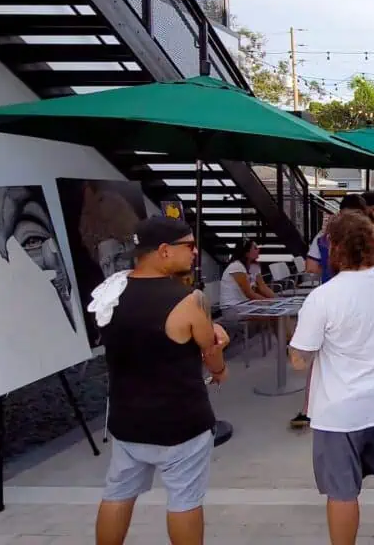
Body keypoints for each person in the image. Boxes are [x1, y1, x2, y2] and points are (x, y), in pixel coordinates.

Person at [93, 216, 229, 545]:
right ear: (165, 251)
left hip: (127, 419)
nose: (195, 253)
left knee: (117, 494)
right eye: (190, 246)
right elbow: (210, 353)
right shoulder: (189, 300)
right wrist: (218, 357)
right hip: (181, 421)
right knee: (184, 500)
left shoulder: (111, 292)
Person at [287, 211, 374, 545]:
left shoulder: (324, 297)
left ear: (335, 246)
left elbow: (300, 360)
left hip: (338, 412)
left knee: (342, 492)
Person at [291, 194, 370, 429]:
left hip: (330, 299)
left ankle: (309, 409)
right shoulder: (370, 235)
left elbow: (311, 267)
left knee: (321, 356)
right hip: (364, 301)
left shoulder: (323, 236)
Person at [219, 239, 276, 308]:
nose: (258, 250)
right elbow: (249, 293)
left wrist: (277, 299)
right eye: (255, 248)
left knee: (276, 311)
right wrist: (269, 303)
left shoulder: (254, 266)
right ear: (247, 253)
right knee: (272, 314)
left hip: (245, 304)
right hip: (232, 307)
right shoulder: (237, 266)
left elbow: (263, 287)